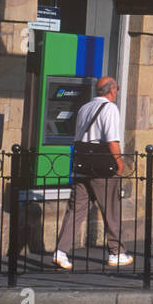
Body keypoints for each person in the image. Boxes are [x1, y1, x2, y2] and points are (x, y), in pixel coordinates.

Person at [53, 76, 132, 269]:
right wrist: (120, 164)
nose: (117, 92)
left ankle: (61, 251)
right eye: (117, 88)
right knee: (111, 210)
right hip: (102, 167)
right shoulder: (110, 108)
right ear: (112, 90)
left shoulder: (84, 108)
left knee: (75, 210)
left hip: (83, 165)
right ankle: (117, 252)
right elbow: (112, 141)